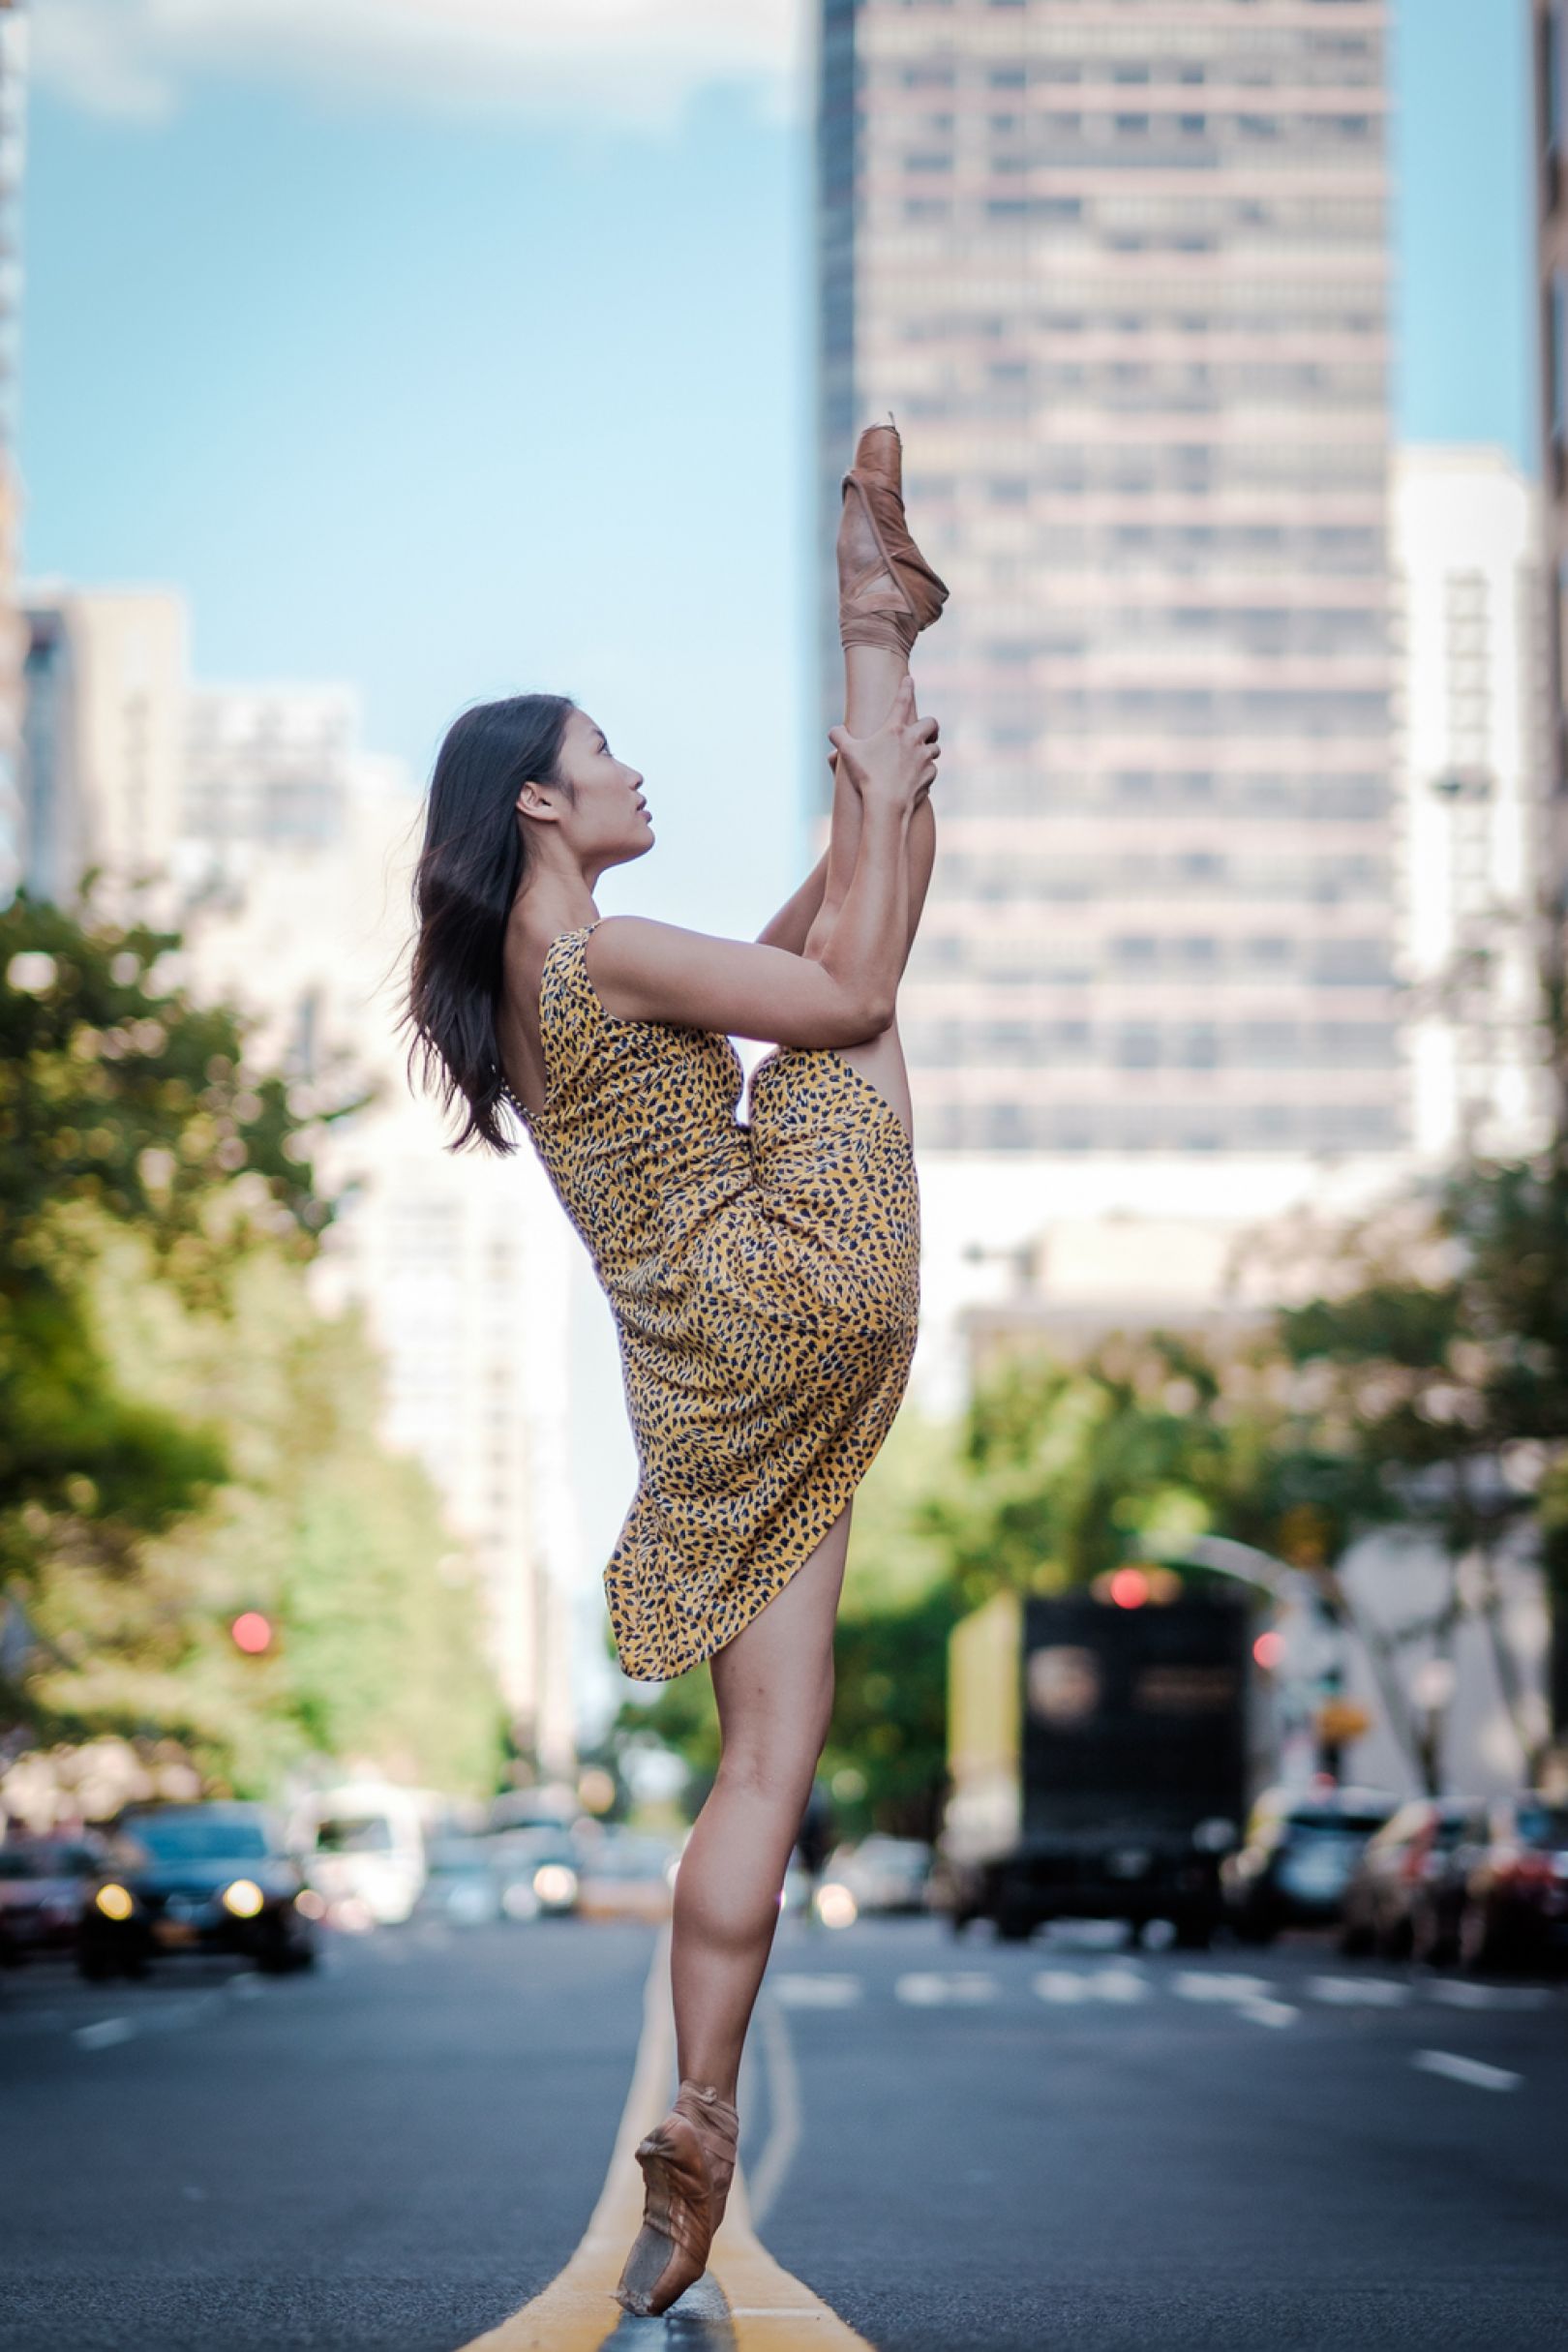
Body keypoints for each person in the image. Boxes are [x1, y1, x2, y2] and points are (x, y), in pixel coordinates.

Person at [405, 423, 947, 2317]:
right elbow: (846, 993)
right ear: (543, 808)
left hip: (703, 1384)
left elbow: (789, 959)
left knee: (758, 1780)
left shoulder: (538, 989)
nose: (632, 770)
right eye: (604, 756)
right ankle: (874, 628)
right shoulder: (612, 953)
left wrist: (852, 846)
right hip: (804, 1289)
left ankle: (697, 2123)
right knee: (861, 996)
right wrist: (874, 792)